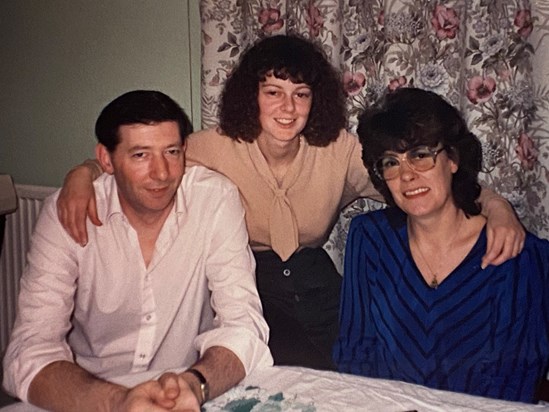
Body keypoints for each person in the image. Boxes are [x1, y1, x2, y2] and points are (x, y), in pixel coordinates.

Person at [56, 35, 524, 370]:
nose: (287, 107)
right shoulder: (212, 147)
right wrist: (83, 173)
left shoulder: (338, 149)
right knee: (290, 368)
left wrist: (497, 205)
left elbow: (416, 179)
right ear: (251, 97)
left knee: (360, 361)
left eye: (301, 94)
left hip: (315, 278)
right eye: (273, 92)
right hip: (251, 282)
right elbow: (150, 160)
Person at [2, 90, 272, 412]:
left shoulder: (214, 200)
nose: (161, 173)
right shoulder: (67, 212)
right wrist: (118, 401)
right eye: (140, 155)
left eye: (171, 151)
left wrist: (194, 383)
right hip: (91, 395)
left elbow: (243, 324)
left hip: (181, 388)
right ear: (105, 160)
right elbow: (30, 349)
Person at [334, 87, 549, 403]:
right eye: (391, 162)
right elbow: (355, 351)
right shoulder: (369, 239)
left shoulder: (516, 254)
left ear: (452, 160)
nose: (406, 175)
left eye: (420, 155)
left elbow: (514, 379)